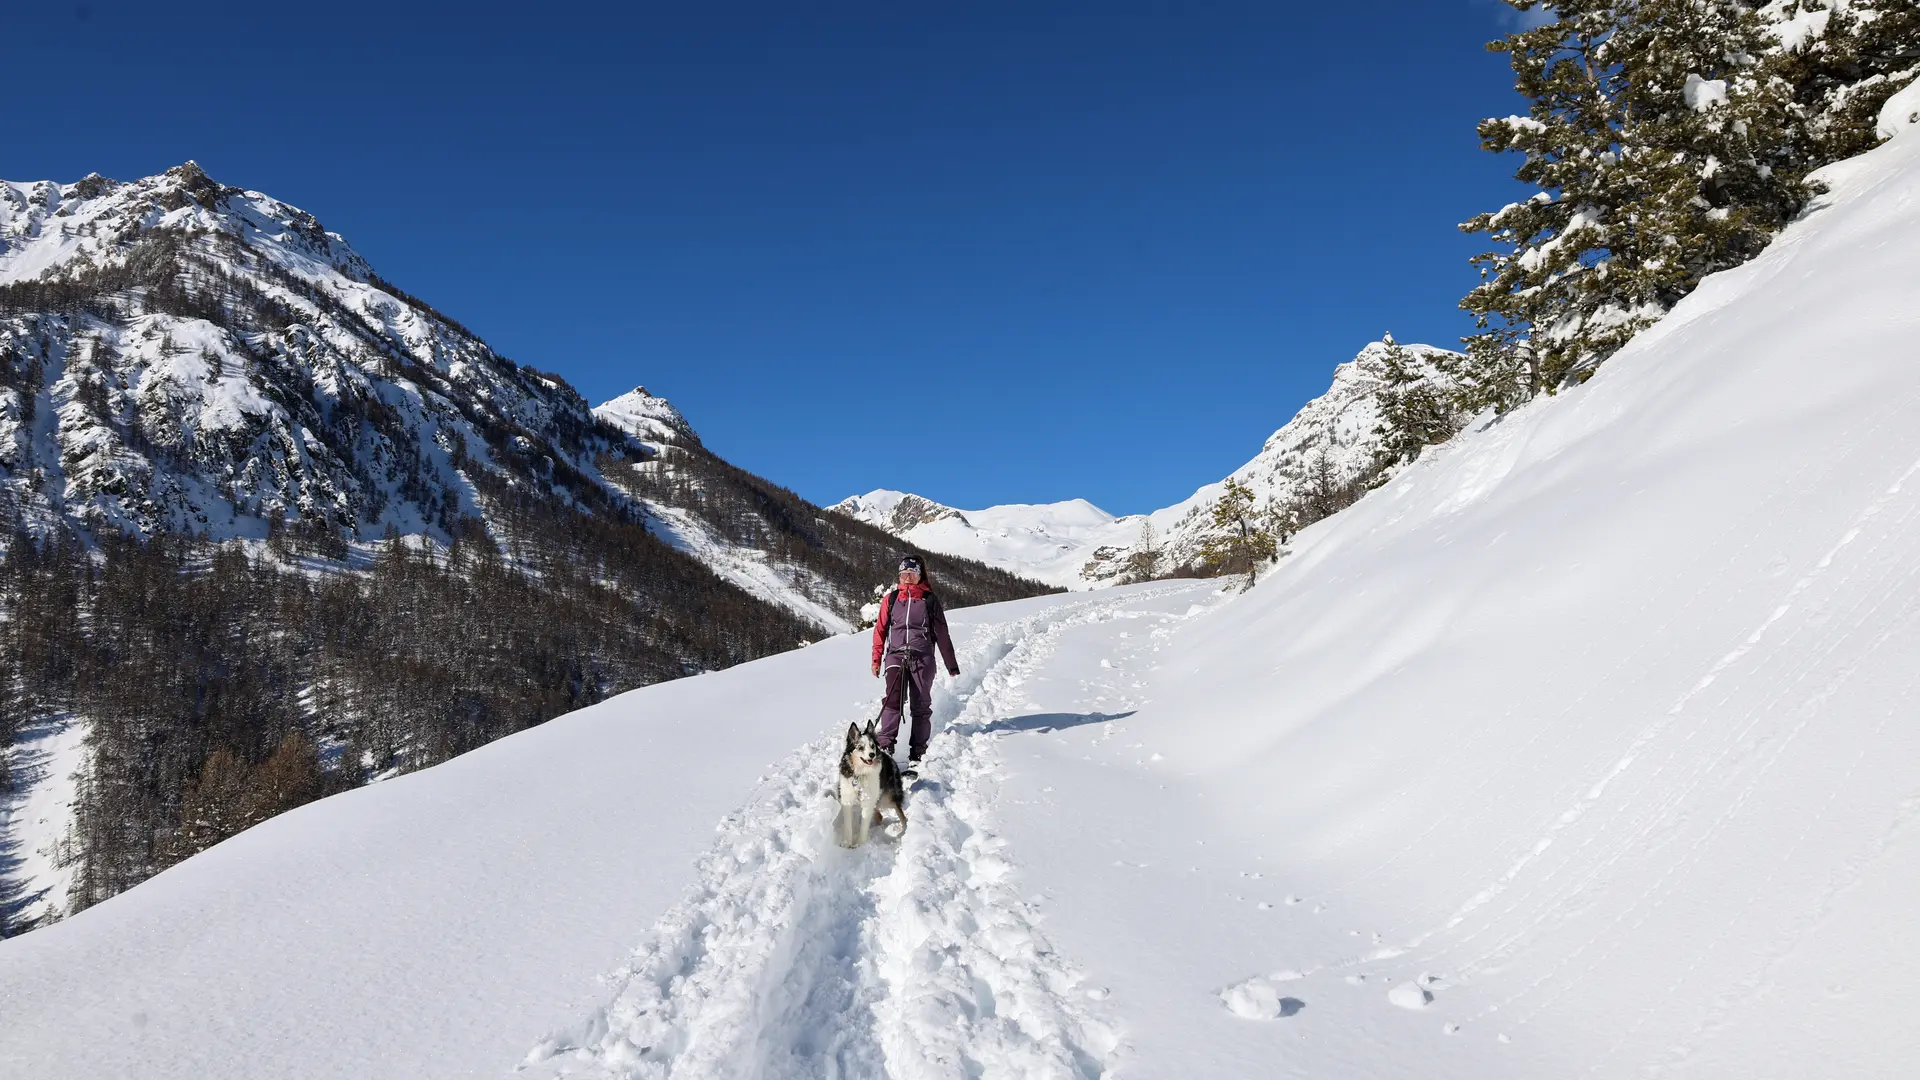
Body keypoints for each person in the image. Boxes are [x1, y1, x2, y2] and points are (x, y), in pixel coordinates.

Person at [870, 555, 960, 774]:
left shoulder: (929, 600)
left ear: (920, 576)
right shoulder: (890, 600)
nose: (907, 578)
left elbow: (942, 634)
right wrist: (876, 658)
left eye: (911, 574)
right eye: (903, 575)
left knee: (920, 705)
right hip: (896, 656)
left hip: (922, 657)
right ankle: (885, 745)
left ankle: (917, 752)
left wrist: (951, 665)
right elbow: (880, 630)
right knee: (893, 698)